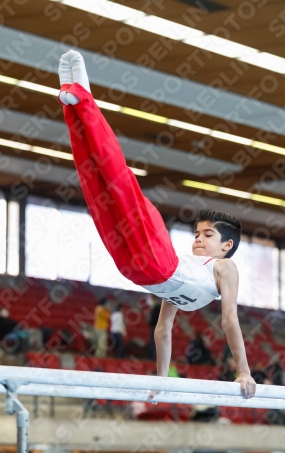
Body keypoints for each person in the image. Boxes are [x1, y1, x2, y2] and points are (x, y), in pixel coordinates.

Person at [58, 50, 256, 400]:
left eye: (207, 235)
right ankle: (80, 100)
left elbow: (188, 327)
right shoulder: (192, 264)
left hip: (135, 270)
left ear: (227, 245)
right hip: (156, 262)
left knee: (93, 186)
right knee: (116, 180)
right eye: (196, 233)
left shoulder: (226, 267)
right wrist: (168, 380)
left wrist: (240, 371)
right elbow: (166, 328)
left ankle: (74, 107)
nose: (198, 239)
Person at [149, 295, 161, 361]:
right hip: (155, 326)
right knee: (153, 343)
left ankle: (155, 358)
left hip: (155, 327)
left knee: (154, 343)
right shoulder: (154, 307)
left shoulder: (156, 307)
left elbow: (154, 319)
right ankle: (154, 357)